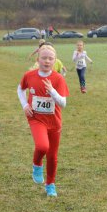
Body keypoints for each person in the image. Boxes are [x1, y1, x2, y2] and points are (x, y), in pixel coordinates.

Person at [17, 44, 69, 197]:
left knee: (52, 156)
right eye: (44, 58)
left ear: (55, 60)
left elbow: (63, 103)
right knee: (42, 146)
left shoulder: (58, 79)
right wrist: (25, 105)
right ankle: (37, 164)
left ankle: (50, 184)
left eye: (50, 58)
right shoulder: (29, 75)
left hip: (54, 122)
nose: (47, 61)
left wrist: (52, 91)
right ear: (38, 59)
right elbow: (20, 89)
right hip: (36, 118)